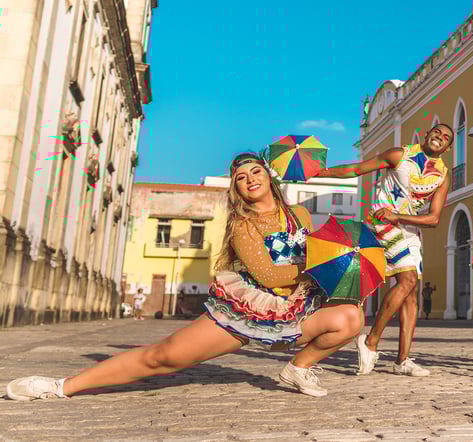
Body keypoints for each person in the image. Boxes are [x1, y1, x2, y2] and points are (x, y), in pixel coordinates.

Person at [6, 153, 362, 401]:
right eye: (241, 178)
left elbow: (320, 252)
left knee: (351, 317)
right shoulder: (242, 225)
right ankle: (62, 385)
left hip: (296, 306)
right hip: (249, 311)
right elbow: (268, 276)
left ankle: (298, 368)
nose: (250, 179)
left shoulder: (300, 214)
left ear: (269, 177)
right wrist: (313, 266)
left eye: (255, 172)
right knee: (162, 357)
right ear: (236, 189)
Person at [315, 123, 454, 377]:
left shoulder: (443, 176)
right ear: (426, 134)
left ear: (448, 147)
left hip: (408, 229)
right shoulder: (399, 155)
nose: (440, 137)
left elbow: (434, 218)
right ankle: (370, 342)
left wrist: (399, 216)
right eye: (437, 132)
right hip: (382, 223)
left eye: (446, 137)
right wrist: (319, 172)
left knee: (411, 294)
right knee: (408, 280)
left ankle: (403, 360)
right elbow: (356, 169)